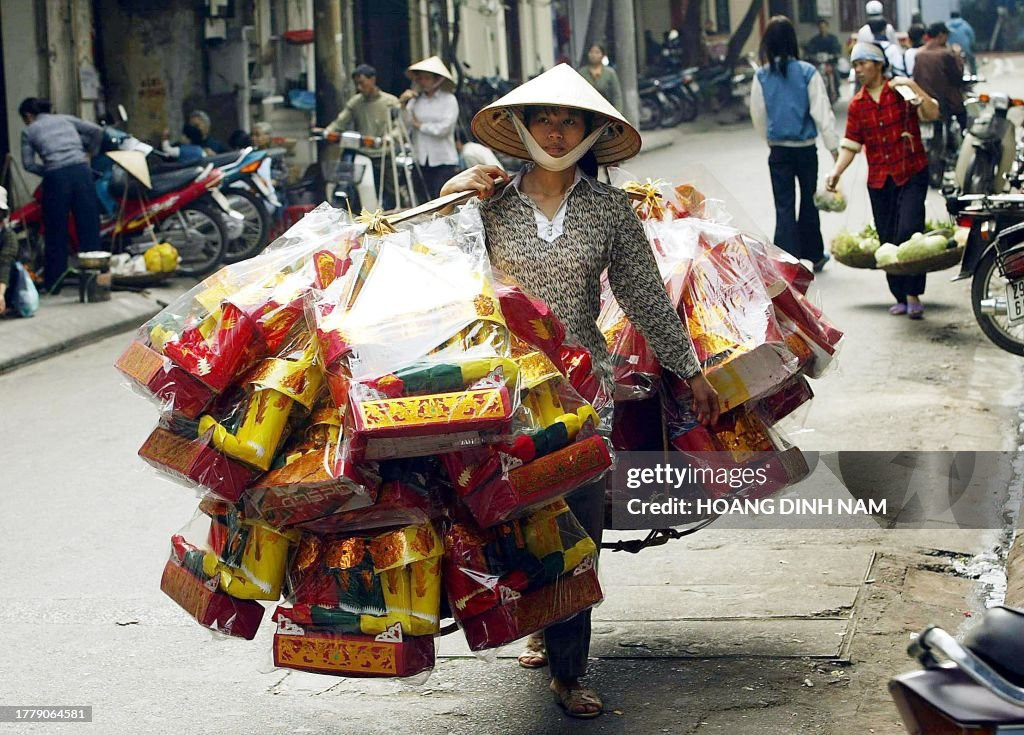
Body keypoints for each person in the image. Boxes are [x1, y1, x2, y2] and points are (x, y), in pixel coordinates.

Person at [440, 64, 720, 720]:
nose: (558, 131)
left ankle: (569, 670)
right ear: (520, 128)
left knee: (576, 531)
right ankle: (540, 619)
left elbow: (644, 296)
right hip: (502, 397)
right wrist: (455, 191)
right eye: (545, 118)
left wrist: (690, 368)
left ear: (592, 133)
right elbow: (445, 269)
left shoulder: (609, 211)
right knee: (513, 524)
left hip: (582, 398)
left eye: (571, 120)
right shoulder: (490, 203)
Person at [826, 42, 939, 319]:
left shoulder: (900, 91)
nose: (858, 69)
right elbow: (851, 144)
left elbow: (931, 113)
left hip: (911, 172)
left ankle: (913, 294)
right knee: (887, 239)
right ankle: (900, 296)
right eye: (855, 65)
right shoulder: (858, 104)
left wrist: (914, 87)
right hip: (879, 179)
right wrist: (836, 172)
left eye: (862, 63)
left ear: (878, 64)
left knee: (909, 232)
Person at [751, 16, 840, 272]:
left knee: (784, 204)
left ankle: (786, 259)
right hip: (805, 150)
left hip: (779, 150)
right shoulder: (807, 72)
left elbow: (759, 115)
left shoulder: (762, 77)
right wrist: (833, 148)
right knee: (809, 201)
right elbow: (822, 112)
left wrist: (770, 138)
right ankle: (814, 253)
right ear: (792, 41)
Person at [19, 97, 103, 293]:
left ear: (28, 116)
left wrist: (48, 170)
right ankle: (94, 281)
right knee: (89, 225)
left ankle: (54, 284)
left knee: (55, 230)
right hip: (82, 172)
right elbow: (97, 131)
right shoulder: (66, 119)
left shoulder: (29, 130)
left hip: (56, 178)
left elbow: (28, 164)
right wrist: (90, 153)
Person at [318, 64, 400, 210]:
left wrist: (389, 138)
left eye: (362, 83)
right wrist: (327, 132)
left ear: (373, 79)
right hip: (362, 153)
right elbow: (340, 122)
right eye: (357, 84)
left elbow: (398, 127)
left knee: (390, 191)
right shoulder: (356, 102)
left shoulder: (390, 102)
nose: (360, 87)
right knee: (354, 186)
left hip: (383, 153)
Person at [399, 56, 460, 201]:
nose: (423, 82)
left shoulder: (449, 100)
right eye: (420, 79)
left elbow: (444, 128)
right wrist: (402, 105)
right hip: (420, 158)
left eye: (427, 78)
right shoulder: (415, 101)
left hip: (443, 159)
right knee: (422, 201)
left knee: (443, 201)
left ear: (437, 80)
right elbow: (405, 125)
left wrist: (421, 126)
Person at [912, 22, 967, 132]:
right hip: (945, 102)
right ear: (941, 35)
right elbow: (957, 77)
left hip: (923, 100)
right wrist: (958, 56)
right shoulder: (946, 54)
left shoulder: (919, 54)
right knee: (962, 116)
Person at [578, 43, 623, 112]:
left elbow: (616, 96)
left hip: (606, 111)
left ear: (602, 55)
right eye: (591, 52)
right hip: (587, 111)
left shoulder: (610, 73)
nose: (594, 55)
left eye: (597, 52)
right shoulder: (582, 72)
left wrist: (618, 114)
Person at [947, 10, 977, 74]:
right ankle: (974, 74)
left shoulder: (947, 25)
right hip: (965, 48)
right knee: (971, 59)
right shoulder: (965, 24)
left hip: (951, 49)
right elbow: (971, 36)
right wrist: (973, 46)